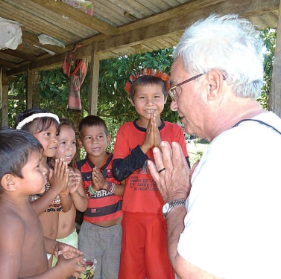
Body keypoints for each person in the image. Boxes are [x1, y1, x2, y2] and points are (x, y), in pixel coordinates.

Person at [147, 14, 281, 279]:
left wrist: (176, 200)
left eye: (176, 90)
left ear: (212, 84)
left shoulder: (231, 152)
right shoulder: (271, 130)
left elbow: (192, 270)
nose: (173, 104)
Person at [0, 127, 86, 278]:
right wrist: (59, 272)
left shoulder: (21, 205)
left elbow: (31, 240)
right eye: (37, 167)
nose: (45, 170)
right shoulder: (8, 223)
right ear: (10, 182)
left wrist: (55, 247)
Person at [112, 68, 189, 279]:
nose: (149, 103)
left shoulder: (175, 131)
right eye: (142, 98)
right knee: (131, 270)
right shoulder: (126, 131)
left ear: (165, 100)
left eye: (156, 97)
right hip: (133, 214)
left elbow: (184, 172)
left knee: (160, 270)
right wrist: (145, 145)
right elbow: (118, 172)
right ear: (132, 102)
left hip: (164, 214)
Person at [15, 107, 72, 266]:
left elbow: (66, 208)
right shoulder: (23, 174)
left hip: (51, 246)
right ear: (27, 138)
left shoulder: (54, 171)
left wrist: (63, 189)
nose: (54, 140)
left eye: (56, 135)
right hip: (31, 249)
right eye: (47, 134)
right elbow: (24, 214)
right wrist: (55, 189)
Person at [76, 115, 124, 279]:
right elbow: (81, 201)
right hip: (90, 232)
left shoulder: (117, 164)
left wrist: (106, 185)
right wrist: (93, 188)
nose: (95, 141)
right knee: (89, 276)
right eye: (89, 138)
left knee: (113, 274)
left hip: (116, 231)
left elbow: (127, 191)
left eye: (100, 137)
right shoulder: (79, 169)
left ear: (108, 139)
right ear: (81, 142)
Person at [52, 119, 88, 267]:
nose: (70, 148)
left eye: (73, 142)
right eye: (63, 143)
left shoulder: (74, 173)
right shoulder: (46, 175)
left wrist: (73, 192)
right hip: (49, 243)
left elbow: (83, 207)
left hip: (71, 239)